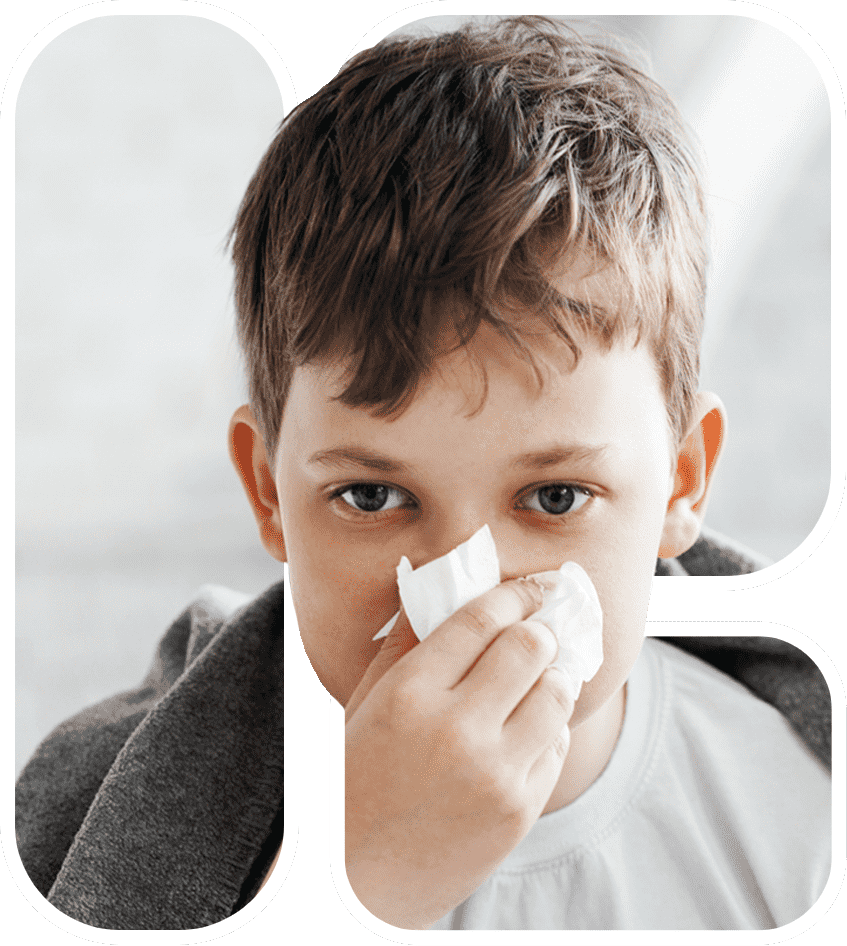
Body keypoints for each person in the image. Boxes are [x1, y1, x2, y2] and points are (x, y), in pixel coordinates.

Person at [15, 16, 829, 931]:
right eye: (371, 497)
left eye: (554, 498)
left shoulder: (800, 817)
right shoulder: (90, 823)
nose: (461, 592)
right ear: (268, 493)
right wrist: (363, 879)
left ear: (681, 482)